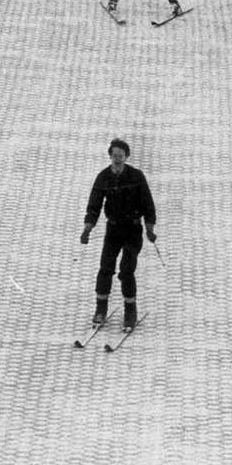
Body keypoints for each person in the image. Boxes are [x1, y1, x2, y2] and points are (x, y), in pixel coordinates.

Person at [80, 140, 157, 331]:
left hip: (133, 230)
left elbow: (148, 204)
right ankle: (100, 309)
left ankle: (130, 311)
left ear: (126, 157)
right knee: (106, 267)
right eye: (114, 156)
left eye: (120, 156)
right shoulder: (103, 177)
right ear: (110, 156)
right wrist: (87, 228)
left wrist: (149, 228)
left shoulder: (136, 176)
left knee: (126, 270)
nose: (117, 160)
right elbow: (94, 205)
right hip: (113, 230)